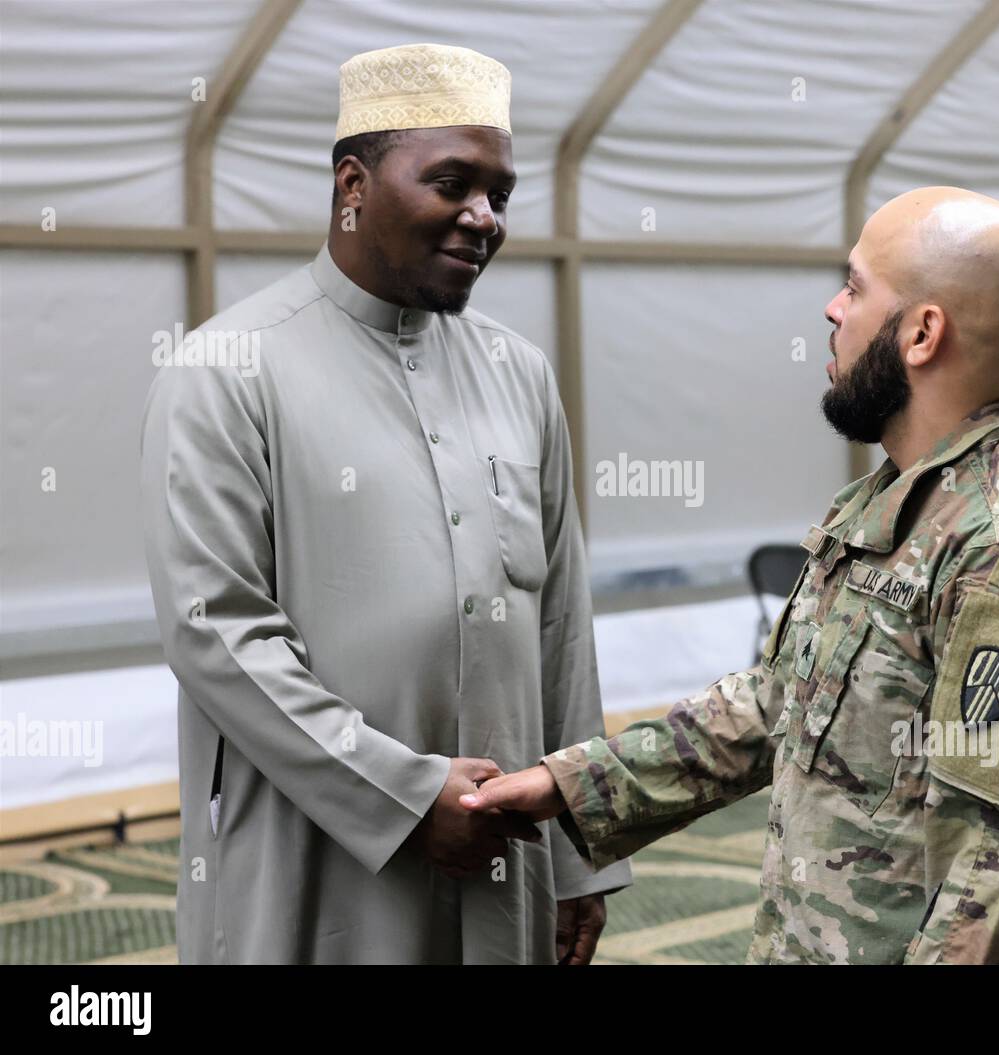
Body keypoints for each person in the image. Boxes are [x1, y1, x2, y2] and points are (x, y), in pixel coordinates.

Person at [463, 187, 999, 964]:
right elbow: (781, 703)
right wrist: (570, 785)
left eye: (854, 287)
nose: (831, 308)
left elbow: (998, 890)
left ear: (923, 333)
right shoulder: (887, 509)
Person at [139, 42, 629, 965]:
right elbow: (220, 634)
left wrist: (578, 856)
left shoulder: (520, 375)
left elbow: (561, 623)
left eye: (500, 193)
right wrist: (403, 797)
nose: (483, 217)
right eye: (452, 182)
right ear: (352, 185)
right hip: (308, 864)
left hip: (505, 863)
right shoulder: (225, 370)